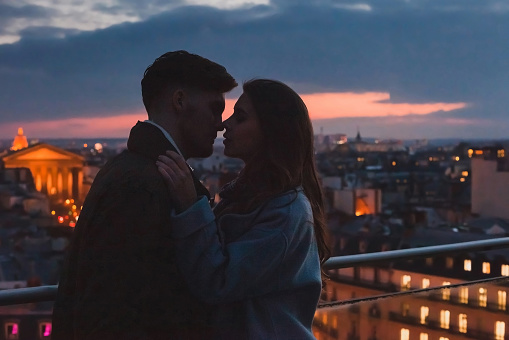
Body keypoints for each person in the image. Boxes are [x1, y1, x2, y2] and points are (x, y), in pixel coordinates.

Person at [51, 50, 237, 339]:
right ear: (179, 101)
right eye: (215, 109)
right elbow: (118, 313)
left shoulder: (132, 170)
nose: (220, 123)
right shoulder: (143, 185)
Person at [156, 79, 330, 339]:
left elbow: (217, 281)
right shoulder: (263, 198)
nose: (225, 124)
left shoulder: (287, 214)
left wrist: (190, 207)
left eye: (240, 117)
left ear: (271, 130)